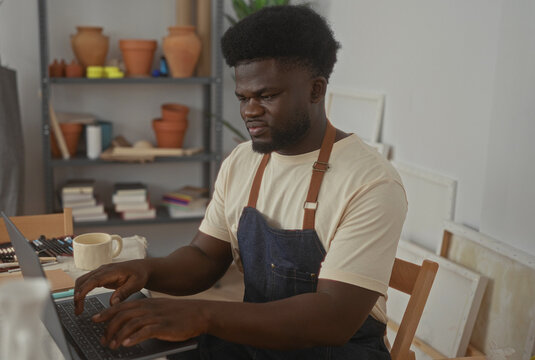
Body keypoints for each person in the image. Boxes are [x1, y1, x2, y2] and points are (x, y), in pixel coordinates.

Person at [74, 5, 407, 359]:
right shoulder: (243, 161)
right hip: (257, 344)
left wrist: (203, 313)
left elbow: (333, 318)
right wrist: (145, 269)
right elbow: (204, 257)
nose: (249, 110)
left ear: (316, 90)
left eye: (266, 96)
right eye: (243, 98)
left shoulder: (370, 182)